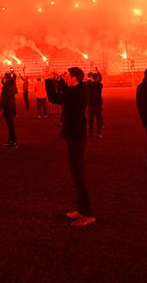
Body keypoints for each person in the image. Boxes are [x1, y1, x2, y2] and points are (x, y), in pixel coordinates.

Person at [45, 68, 95, 227]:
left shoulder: (75, 93)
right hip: (75, 134)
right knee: (76, 174)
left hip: (75, 136)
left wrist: (48, 80)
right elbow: (67, 89)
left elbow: (54, 98)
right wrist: (59, 79)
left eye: (67, 74)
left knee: (78, 175)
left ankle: (87, 214)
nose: (65, 76)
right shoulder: (80, 88)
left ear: (74, 78)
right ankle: (81, 209)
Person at [0, 72, 19, 148]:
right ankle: (12, 140)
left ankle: (13, 141)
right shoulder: (12, 84)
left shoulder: (6, 86)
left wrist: (0, 108)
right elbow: (15, 91)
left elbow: (3, 97)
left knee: (10, 125)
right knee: (11, 125)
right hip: (12, 106)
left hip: (7, 106)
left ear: (5, 77)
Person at [87, 72, 104, 137]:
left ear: (92, 78)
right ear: (97, 78)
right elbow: (100, 79)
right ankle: (99, 133)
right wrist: (98, 72)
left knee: (90, 119)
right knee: (99, 119)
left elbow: (88, 81)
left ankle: (90, 133)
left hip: (91, 104)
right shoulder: (100, 85)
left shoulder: (89, 85)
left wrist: (89, 77)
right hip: (98, 104)